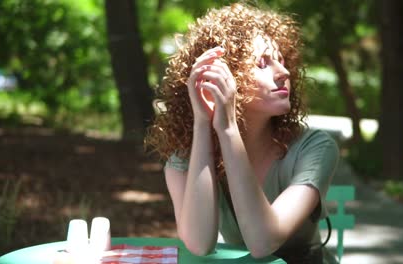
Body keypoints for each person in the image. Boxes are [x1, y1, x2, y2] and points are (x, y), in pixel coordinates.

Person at [145, 3, 339, 263]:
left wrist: (227, 128)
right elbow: (199, 244)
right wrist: (203, 123)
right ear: (224, 79)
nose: (283, 72)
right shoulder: (184, 161)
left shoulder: (314, 148)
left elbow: (263, 242)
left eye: (281, 62)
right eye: (262, 64)